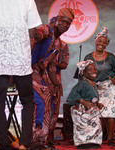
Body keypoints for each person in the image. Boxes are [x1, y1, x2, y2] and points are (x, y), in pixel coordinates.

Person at [0, 0, 42, 150]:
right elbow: (31, 31)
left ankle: (4, 144)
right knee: (27, 100)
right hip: (19, 58)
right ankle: (24, 144)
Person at [30, 8, 74, 147]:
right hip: (29, 72)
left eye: (68, 23)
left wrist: (55, 84)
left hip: (42, 75)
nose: (65, 25)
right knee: (41, 105)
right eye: (63, 21)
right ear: (56, 20)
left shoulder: (57, 43)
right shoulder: (47, 30)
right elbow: (36, 35)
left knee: (48, 106)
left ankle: (43, 140)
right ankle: (35, 140)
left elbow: (50, 66)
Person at [83, 27, 115, 146]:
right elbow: (83, 74)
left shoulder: (111, 57)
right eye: (99, 41)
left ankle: (110, 139)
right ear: (95, 41)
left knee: (110, 112)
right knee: (95, 114)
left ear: (107, 44)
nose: (101, 44)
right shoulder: (88, 57)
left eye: (104, 42)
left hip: (110, 87)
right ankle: (96, 139)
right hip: (94, 88)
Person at [66, 59, 104, 149]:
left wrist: (98, 104)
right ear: (84, 73)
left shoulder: (93, 84)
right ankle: (83, 144)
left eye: (94, 69)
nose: (93, 71)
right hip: (83, 112)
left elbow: (92, 97)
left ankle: (93, 142)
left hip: (92, 111)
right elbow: (72, 96)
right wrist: (83, 101)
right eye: (90, 70)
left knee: (95, 127)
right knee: (85, 128)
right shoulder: (83, 83)